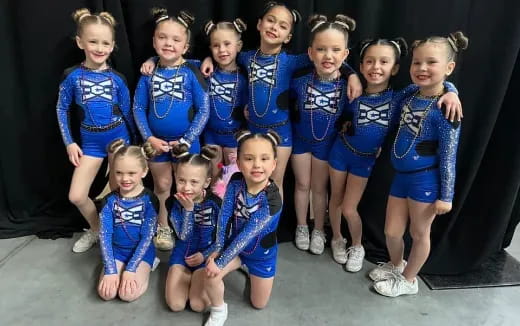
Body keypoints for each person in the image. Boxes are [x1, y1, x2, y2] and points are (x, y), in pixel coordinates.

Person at [200, 2, 363, 197]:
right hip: (253, 130)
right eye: (270, 21)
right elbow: (226, 55)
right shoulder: (246, 58)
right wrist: (209, 58)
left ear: (289, 37)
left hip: (281, 132)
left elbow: (326, 59)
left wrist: (351, 74)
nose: (275, 27)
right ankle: (249, 222)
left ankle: (272, 227)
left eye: (283, 26)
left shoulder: (291, 61)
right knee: (248, 181)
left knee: (275, 183)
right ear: (259, 24)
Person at [327, 38, 462, 270]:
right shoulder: (357, 90)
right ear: (361, 66)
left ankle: (357, 246)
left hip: (369, 161)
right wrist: (351, 76)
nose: (375, 67)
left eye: (383, 62)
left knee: (349, 207)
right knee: (335, 200)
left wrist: (452, 91)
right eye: (369, 61)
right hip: (340, 152)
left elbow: (437, 87)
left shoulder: (399, 97)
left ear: (396, 67)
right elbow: (340, 74)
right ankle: (337, 238)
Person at [370, 32, 468, 297]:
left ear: (449, 67)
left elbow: (449, 155)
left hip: (425, 180)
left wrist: (446, 196)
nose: (422, 69)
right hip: (401, 176)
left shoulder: (447, 111)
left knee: (418, 232)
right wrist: (452, 89)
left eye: (431, 63)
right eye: (417, 63)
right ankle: (395, 264)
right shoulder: (411, 93)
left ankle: (409, 280)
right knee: (391, 232)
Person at [56, 8, 135, 253]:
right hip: (89, 143)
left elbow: (129, 114)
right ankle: (97, 228)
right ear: (80, 42)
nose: (99, 48)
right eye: (93, 42)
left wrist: (134, 148)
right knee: (77, 196)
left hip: (118, 140)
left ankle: (120, 237)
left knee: (119, 194)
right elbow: (61, 109)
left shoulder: (118, 79)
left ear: (112, 45)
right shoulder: (72, 76)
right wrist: (69, 142)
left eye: (105, 43)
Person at [133, 8, 209, 251]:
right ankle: (163, 226)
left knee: (190, 187)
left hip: (187, 143)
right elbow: (138, 107)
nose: (169, 43)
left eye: (176, 40)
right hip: (155, 143)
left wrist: (186, 140)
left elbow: (203, 109)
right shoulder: (148, 73)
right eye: (163, 37)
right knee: (163, 185)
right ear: (154, 41)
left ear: (186, 46)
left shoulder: (191, 71)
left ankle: (195, 227)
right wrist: (149, 138)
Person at [289, 14, 356, 256]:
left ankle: (319, 228)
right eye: (321, 49)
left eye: (335, 50)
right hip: (299, 140)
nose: (328, 56)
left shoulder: (349, 85)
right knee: (301, 184)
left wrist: (352, 74)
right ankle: (301, 226)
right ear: (310, 52)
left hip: (327, 144)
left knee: (319, 188)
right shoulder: (299, 80)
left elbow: (352, 115)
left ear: (345, 54)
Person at [203, 130, 282, 326]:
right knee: (211, 275)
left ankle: (250, 270)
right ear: (238, 162)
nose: (257, 165)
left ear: (274, 164)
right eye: (249, 158)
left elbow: (247, 235)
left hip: (260, 255)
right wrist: (218, 248)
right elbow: (224, 217)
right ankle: (219, 309)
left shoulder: (272, 200)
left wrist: (221, 261)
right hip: (234, 249)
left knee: (258, 304)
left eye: (264, 159)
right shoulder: (236, 182)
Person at [97, 139, 159, 302]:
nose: (125, 178)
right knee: (106, 294)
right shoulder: (109, 201)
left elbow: (147, 237)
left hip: (142, 251)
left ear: (144, 171)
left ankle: (150, 264)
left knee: (127, 295)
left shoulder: (150, 200)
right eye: (119, 172)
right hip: (117, 251)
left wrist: (131, 269)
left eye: (131, 173)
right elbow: (104, 236)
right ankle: (117, 268)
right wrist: (110, 270)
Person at [164, 144, 221, 312]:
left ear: (206, 182)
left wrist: (205, 256)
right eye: (181, 180)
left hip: (207, 255)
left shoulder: (217, 204)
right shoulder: (173, 203)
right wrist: (188, 210)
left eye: (194, 182)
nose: (186, 187)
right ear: (175, 177)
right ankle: (185, 277)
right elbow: (183, 235)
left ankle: (198, 278)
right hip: (182, 254)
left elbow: (223, 238)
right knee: (176, 305)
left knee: (198, 305)